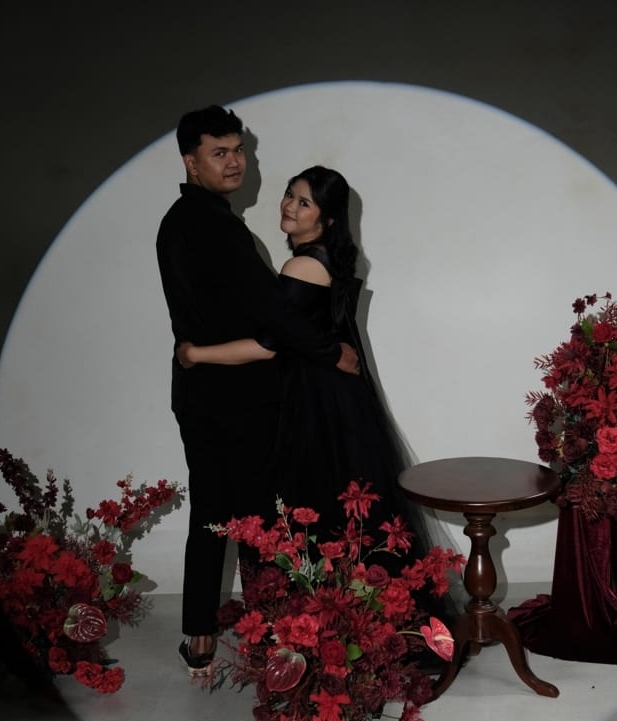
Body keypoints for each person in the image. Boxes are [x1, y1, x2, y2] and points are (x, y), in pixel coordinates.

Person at [177, 165, 451, 593]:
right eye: (290, 194)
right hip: (334, 398)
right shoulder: (325, 258)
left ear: (327, 220)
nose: (289, 205)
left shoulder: (303, 265)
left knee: (311, 510)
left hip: (313, 402)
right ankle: (352, 612)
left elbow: (267, 346)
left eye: (304, 202)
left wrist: (195, 353)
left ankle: (323, 614)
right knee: (341, 515)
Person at [155, 108, 358, 677]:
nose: (235, 161)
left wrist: (195, 355)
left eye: (238, 149)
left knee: (213, 512)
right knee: (258, 519)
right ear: (190, 161)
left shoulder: (177, 221)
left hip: (200, 391)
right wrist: (332, 352)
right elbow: (275, 319)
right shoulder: (214, 226)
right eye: (219, 152)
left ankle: (202, 639)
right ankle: (276, 641)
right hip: (238, 395)